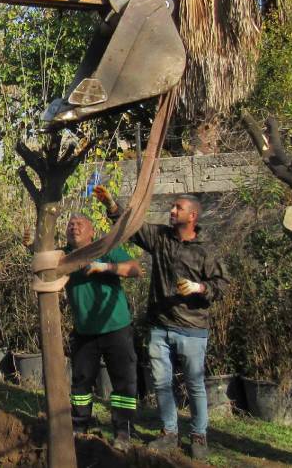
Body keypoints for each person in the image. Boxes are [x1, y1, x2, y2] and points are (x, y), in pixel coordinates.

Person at [94, 186, 228, 461]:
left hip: (192, 329)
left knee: (195, 384)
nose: (172, 211)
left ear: (192, 216)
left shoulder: (205, 251)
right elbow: (132, 227)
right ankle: (169, 432)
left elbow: (222, 285)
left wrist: (199, 287)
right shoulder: (161, 238)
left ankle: (199, 435)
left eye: (177, 208)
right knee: (162, 384)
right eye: (172, 207)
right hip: (160, 326)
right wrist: (111, 205)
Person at [51, 214, 142, 448]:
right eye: (70, 224)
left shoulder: (104, 248)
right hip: (84, 331)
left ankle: (123, 432)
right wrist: (31, 244)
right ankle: (80, 426)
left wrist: (105, 267)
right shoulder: (64, 256)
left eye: (79, 224)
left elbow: (135, 269)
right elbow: (42, 263)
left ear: (92, 232)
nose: (73, 227)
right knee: (81, 382)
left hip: (116, 327)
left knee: (123, 382)